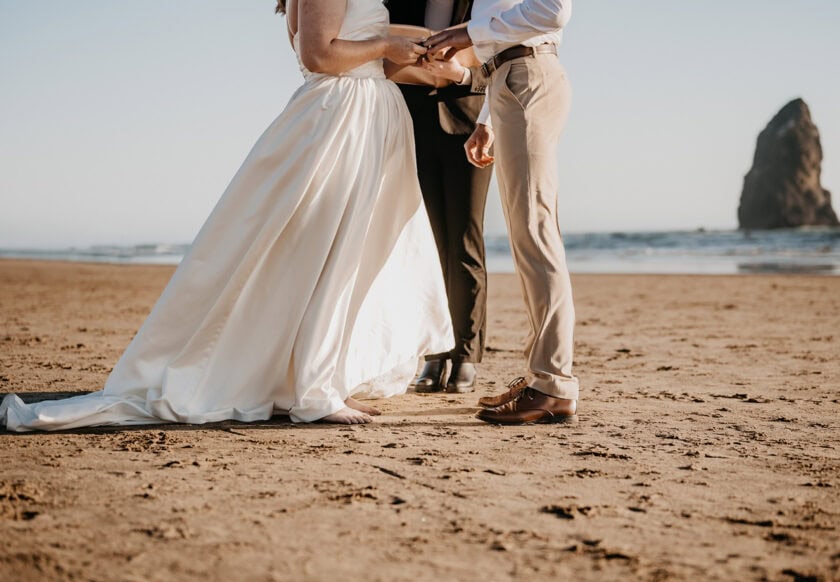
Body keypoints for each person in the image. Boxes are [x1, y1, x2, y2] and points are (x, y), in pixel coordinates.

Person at [1, 0, 454, 432]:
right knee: (325, 256)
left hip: (365, 114)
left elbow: (363, 59)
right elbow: (319, 54)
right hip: (343, 122)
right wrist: (386, 44)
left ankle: (320, 380)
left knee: (343, 257)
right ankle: (315, 390)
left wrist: (434, 70)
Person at [426, 0, 579, 424]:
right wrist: (489, 120)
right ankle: (543, 378)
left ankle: (553, 384)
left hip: (527, 74)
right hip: (511, 78)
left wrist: (466, 33)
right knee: (527, 232)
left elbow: (554, 10)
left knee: (535, 230)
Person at [386, 0, 493, 394]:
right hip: (409, 125)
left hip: (470, 126)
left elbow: (500, 66)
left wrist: (460, 74)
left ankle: (466, 354)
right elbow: (379, 53)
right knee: (427, 245)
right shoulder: (396, 1)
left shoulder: (481, 4)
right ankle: (434, 353)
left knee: (465, 240)